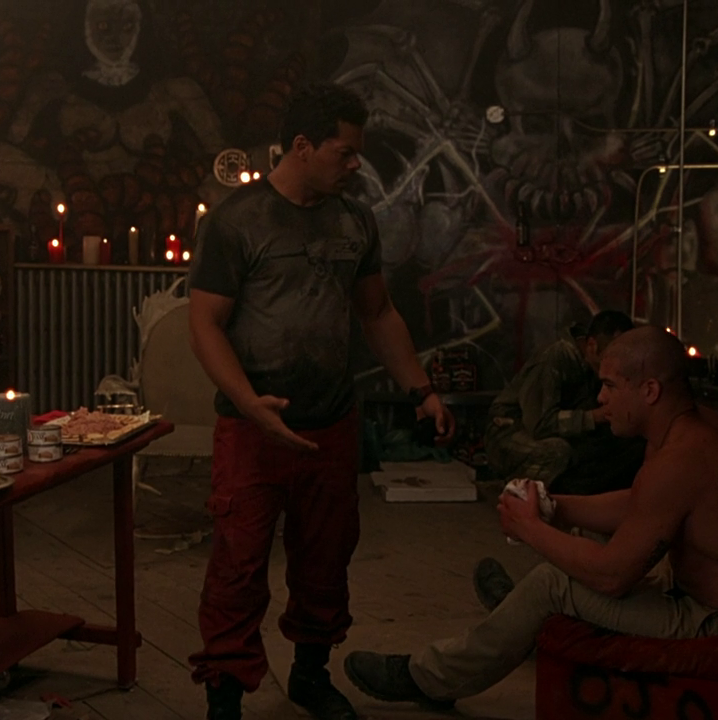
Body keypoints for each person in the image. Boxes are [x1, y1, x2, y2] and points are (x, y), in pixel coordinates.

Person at [186, 82, 451, 720]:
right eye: (345, 151)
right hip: (252, 431)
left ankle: (310, 675)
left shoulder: (354, 220)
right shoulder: (236, 220)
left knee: (326, 560)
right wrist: (250, 403)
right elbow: (204, 324)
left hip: (330, 425)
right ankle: (225, 696)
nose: (356, 163)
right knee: (238, 566)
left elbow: (378, 313)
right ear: (302, 146)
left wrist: (422, 390)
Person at [342, 326, 718, 709]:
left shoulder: (682, 460)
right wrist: (554, 506)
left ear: (649, 391)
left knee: (550, 584)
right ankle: (521, 619)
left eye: (609, 386)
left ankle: (429, 679)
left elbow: (612, 577)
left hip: (716, 621)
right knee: (569, 565)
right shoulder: (688, 427)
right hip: (695, 594)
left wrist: (530, 528)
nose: (600, 398)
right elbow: (641, 504)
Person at [485, 310, 644, 495]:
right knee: (557, 452)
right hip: (510, 432)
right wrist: (594, 417)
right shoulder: (555, 356)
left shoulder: (592, 367)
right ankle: (521, 496)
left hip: (557, 434)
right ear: (592, 346)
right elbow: (538, 425)